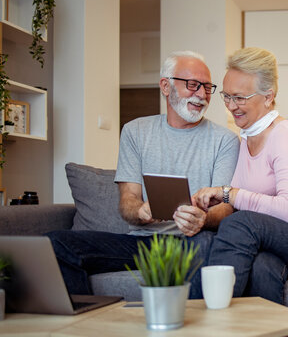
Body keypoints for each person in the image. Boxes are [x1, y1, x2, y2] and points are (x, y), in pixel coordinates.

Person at [46, 51, 240, 299]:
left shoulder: (225, 140)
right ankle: (85, 324)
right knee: (55, 243)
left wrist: (202, 218)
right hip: (145, 243)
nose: (202, 95)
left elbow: (225, 207)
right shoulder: (135, 132)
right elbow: (128, 200)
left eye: (207, 87)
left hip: (194, 240)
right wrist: (140, 211)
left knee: (205, 244)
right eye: (192, 85)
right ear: (165, 86)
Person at [193, 47, 288, 304]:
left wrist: (230, 194)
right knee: (263, 268)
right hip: (282, 241)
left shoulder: (286, 136)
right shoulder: (244, 141)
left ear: (268, 97)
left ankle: (208, 322)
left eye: (240, 98)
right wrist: (203, 209)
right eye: (227, 96)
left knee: (240, 223)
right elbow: (241, 203)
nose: (231, 106)